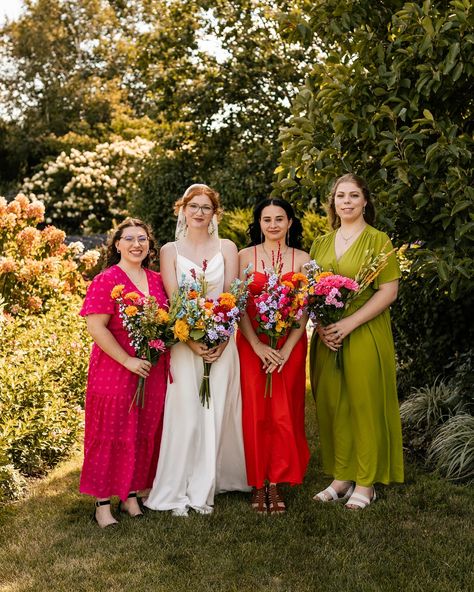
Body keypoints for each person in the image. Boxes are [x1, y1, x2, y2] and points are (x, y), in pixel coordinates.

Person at [145, 183, 249, 517]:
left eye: (206, 207)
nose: (200, 212)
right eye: (194, 206)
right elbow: (175, 300)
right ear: (183, 209)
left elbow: (233, 296)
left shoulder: (228, 247)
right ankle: (177, 486)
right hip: (184, 343)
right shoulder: (170, 251)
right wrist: (192, 340)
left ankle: (207, 484)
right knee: (186, 414)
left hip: (222, 342)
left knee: (216, 411)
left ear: (214, 213)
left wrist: (219, 338)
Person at [310, 173, 404, 510]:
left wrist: (348, 323)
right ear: (333, 203)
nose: (346, 202)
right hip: (327, 337)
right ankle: (341, 476)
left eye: (353, 196)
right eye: (340, 196)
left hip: (364, 331)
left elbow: (388, 291)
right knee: (334, 405)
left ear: (365, 201)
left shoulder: (379, 241)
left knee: (364, 403)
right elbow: (311, 292)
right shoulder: (320, 243)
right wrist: (321, 326)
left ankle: (366, 481)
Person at [80, 218, 169, 528]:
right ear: (116, 244)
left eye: (142, 238)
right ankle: (102, 503)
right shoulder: (107, 280)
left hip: (151, 370)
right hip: (115, 369)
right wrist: (127, 361)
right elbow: (96, 327)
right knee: (111, 432)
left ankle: (130, 494)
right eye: (128, 238)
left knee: (143, 431)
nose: (136, 244)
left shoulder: (157, 280)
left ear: (149, 244)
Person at [236, 198, 310, 514]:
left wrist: (287, 349)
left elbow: (305, 309)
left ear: (290, 222)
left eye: (280, 219)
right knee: (254, 411)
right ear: (259, 223)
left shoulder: (304, 259)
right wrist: (256, 345)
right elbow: (237, 304)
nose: (273, 225)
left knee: (284, 411)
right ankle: (257, 482)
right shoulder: (244, 257)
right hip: (253, 342)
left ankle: (277, 481)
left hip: (288, 346)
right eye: (267, 219)